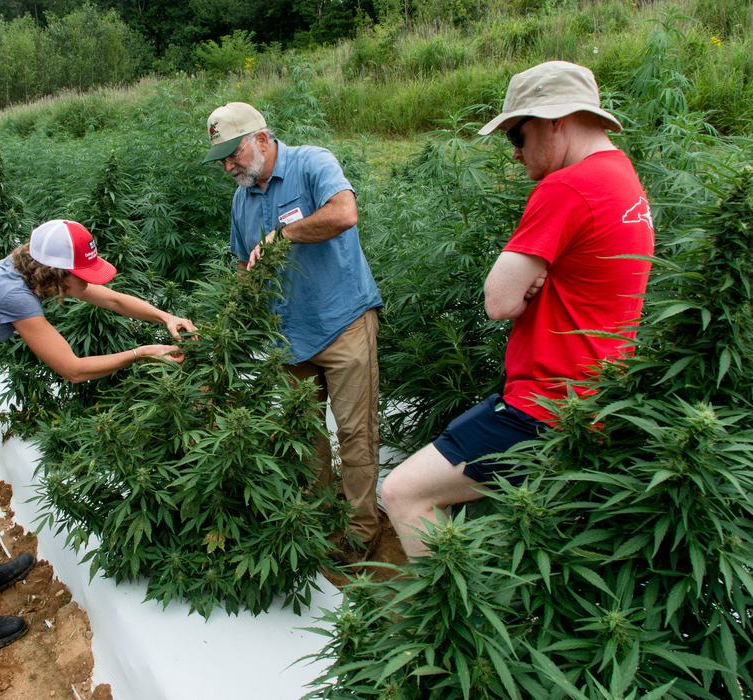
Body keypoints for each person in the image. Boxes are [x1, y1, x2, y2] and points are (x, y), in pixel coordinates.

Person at [381, 61, 656, 559]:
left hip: (547, 402)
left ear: (556, 121)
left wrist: (528, 281)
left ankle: (448, 625)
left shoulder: (566, 188)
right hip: (601, 394)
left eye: (517, 134)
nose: (514, 152)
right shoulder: (623, 179)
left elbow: (499, 300)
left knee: (404, 493)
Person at [0, 219, 194, 649]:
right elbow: (72, 368)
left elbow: (111, 298)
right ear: (55, 271)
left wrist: (164, 316)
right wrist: (142, 352)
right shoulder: (11, 294)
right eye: (79, 275)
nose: (85, 282)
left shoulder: (22, 271)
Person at [203, 102, 383, 564]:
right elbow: (246, 267)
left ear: (261, 139)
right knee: (305, 435)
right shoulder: (242, 200)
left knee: (355, 433)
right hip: (288, 337)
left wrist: (284, 236)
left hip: (343, 323)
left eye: (233, 154)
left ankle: (362, 531)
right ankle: (318, 523)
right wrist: (233, 322)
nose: (228, 166)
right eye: (221, 159)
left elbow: (344, 213)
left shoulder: (312, 163)